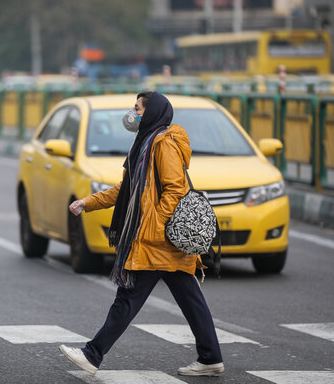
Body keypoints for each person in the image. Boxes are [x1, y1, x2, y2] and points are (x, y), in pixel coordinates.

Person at [59, 91, 224, 377]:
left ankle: (92, 354)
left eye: (137, 108)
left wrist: (153, 226)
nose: (132, 113)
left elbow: (174, 189)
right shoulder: (145, 143)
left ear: (151, 113)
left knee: (128, 297)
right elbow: (127, 190)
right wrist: (89, 202)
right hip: (162, 241)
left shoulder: (163, 144)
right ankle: (210, 357)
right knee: (190, 300)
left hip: (157, 240)